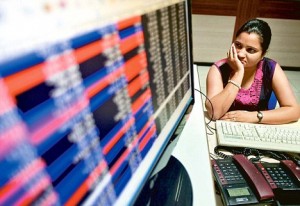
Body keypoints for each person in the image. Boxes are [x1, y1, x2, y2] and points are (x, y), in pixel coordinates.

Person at [205, 18, 300, 124]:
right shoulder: (219, 69)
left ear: (263, 54)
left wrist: (253, 116)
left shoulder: (270, 68)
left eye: (251, 50)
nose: (240, 54)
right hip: (222, 127)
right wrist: (238, 73)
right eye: (238, 45)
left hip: (258, 129)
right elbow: (214, 113)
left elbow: (294, 111)